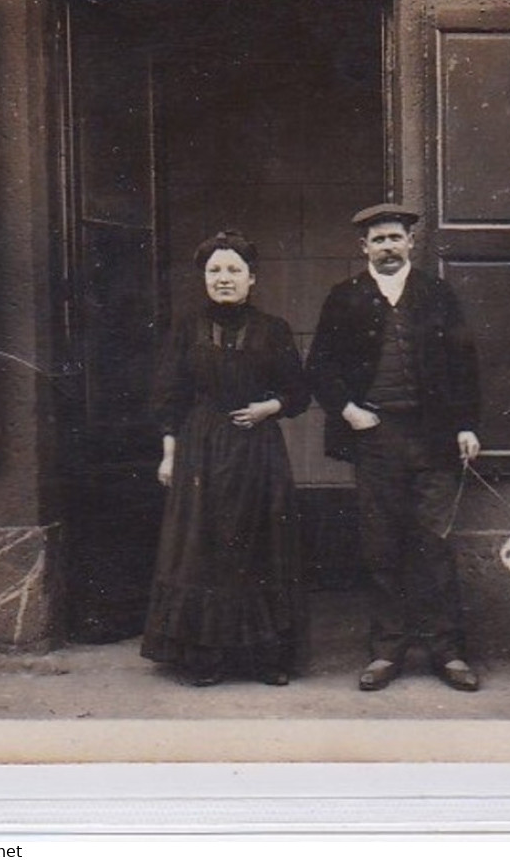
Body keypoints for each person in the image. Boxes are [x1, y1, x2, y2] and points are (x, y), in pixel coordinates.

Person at [305, 203, 483, 693]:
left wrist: (466, 425)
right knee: (381, 545)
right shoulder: (344, 298)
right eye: (378, 240)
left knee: (434, 544)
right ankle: (387, 651)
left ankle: (447, 652)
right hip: (375, 439)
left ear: (410, 243)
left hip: (433, 438)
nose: (387, 247)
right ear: (363, 247)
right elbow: (320, 366)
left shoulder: (437, 295)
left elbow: (463, 364)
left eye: (395, 238)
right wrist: (347, 409)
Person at [144, 231, 310, 687]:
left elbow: (298, 392)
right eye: (215, 270)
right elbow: (169, 397)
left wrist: (267, 408)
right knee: (204, 546)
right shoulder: (186, 328)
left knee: (260, 544)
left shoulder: (272, 329)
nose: (224, 279)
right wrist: (169, 456)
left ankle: (265, 657)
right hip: (200, 448)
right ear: (204, 278)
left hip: (257, 451)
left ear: (252, 279)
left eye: (234, 270)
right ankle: (206, 655)